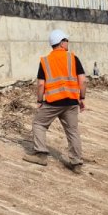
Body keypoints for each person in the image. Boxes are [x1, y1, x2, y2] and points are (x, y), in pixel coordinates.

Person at [24, 28, 86, 169]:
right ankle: (76, 163)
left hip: (53, 102)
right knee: (72, 131)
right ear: (61, 43)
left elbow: (41, 84)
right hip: (71, 101)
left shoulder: (45, 61)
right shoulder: (73, 58)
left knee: (39, 124)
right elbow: (82, 81)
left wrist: (39, 101)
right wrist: (82, 98)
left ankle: (40, 155)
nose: (68, 43)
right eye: (66, 40)